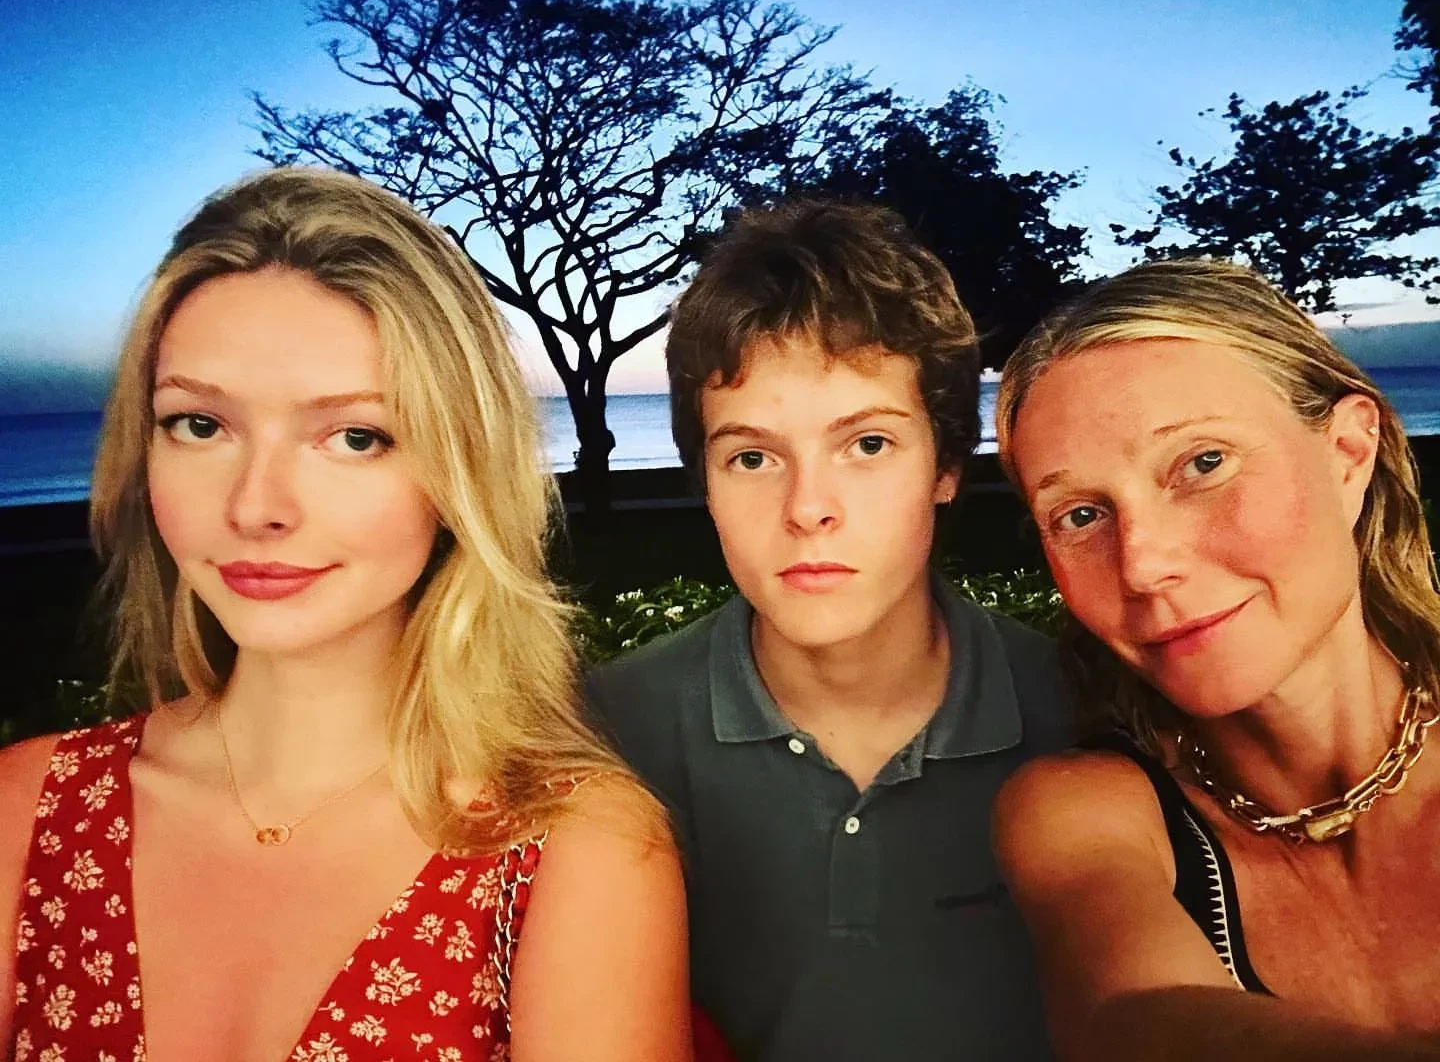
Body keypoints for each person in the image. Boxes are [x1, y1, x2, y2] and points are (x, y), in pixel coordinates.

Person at [0, 167, 692, 1061]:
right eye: (200, 425)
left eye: (355, 437)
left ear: (457, 473)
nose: (256, 506)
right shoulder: (26, 812)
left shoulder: (571, 854)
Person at [586, 199, 1073, 1061]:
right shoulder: (602, 739)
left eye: (868, 445)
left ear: (946, 466)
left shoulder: (1085, 717)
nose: (808, 508)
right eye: (752, 457)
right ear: (706, 482)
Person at [991, 258, 1440, 1062]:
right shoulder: (1088, 815)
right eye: (1081, 515)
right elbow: (1133, 1018)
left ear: (1347, 452)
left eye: (1202, 464)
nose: (1142, 564)